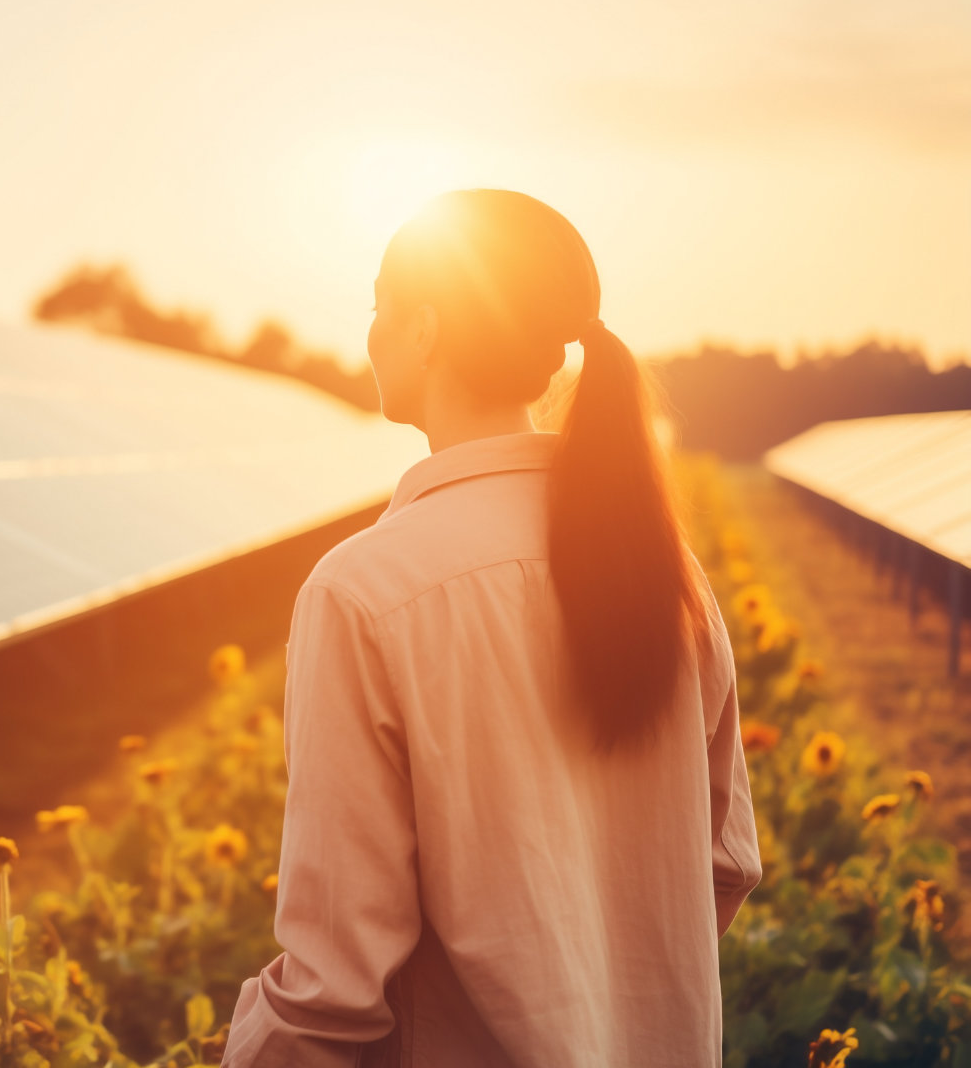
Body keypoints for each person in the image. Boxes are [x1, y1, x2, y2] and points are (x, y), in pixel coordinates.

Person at [221, 189, 761, 1067]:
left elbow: (334, 987)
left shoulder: (362, 592)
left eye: (376, 306)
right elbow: (725, 865)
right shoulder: (668, 576)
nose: (370, 335)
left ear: (425, 328)